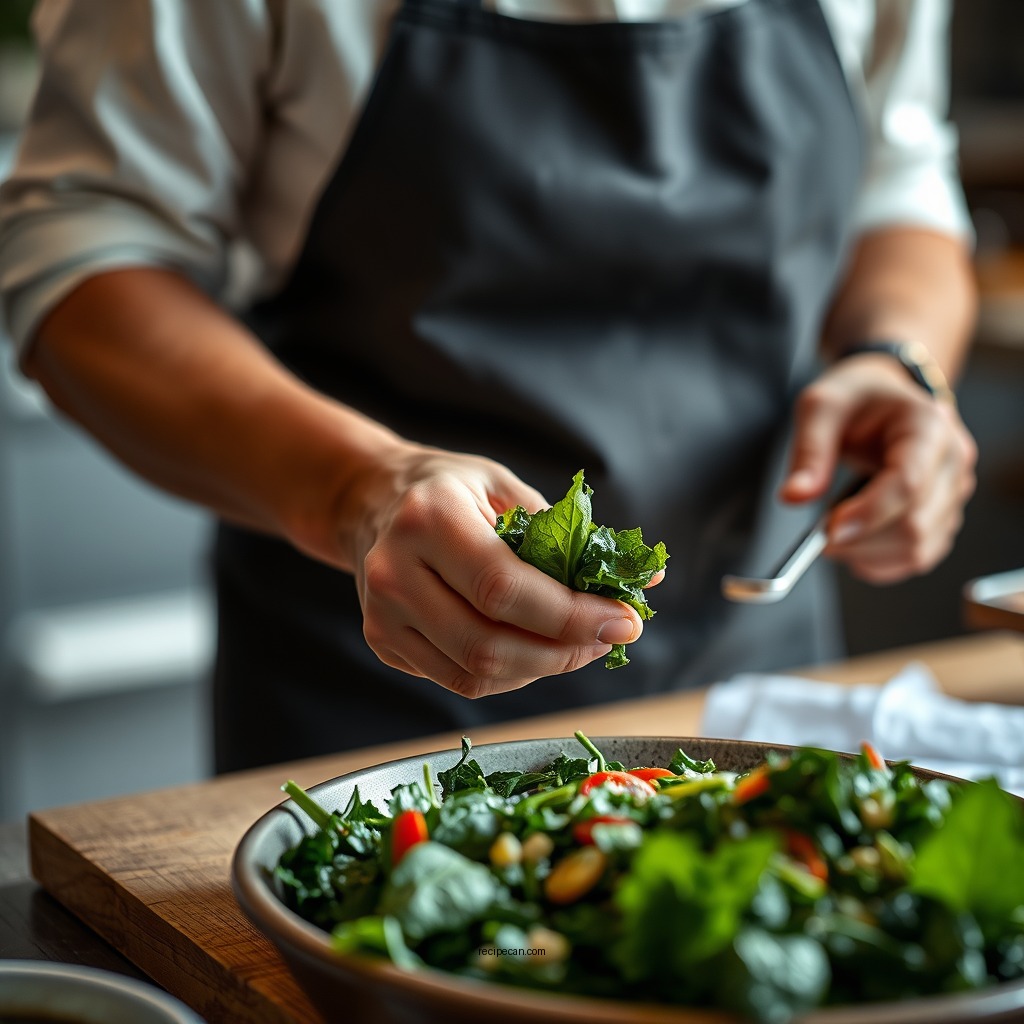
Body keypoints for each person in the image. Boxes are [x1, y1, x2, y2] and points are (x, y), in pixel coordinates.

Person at [0, 0, 977, 773]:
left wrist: (898, 360)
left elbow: (898, 191)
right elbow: (87, 261)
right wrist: (358, 489)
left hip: (758, 682)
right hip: (376, 719)